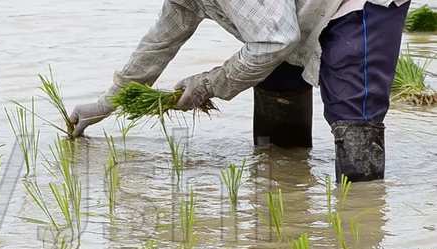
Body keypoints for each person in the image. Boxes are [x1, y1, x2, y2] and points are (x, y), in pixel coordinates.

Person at [69, 0, 411, 182]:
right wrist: (105, 104)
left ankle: (361, 228)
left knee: (353, 110)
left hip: (355, 6)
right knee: (276, 84)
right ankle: (286, 199)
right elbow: (157, 45)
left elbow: (275, 40)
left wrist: (207, 85)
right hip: (294, 14)